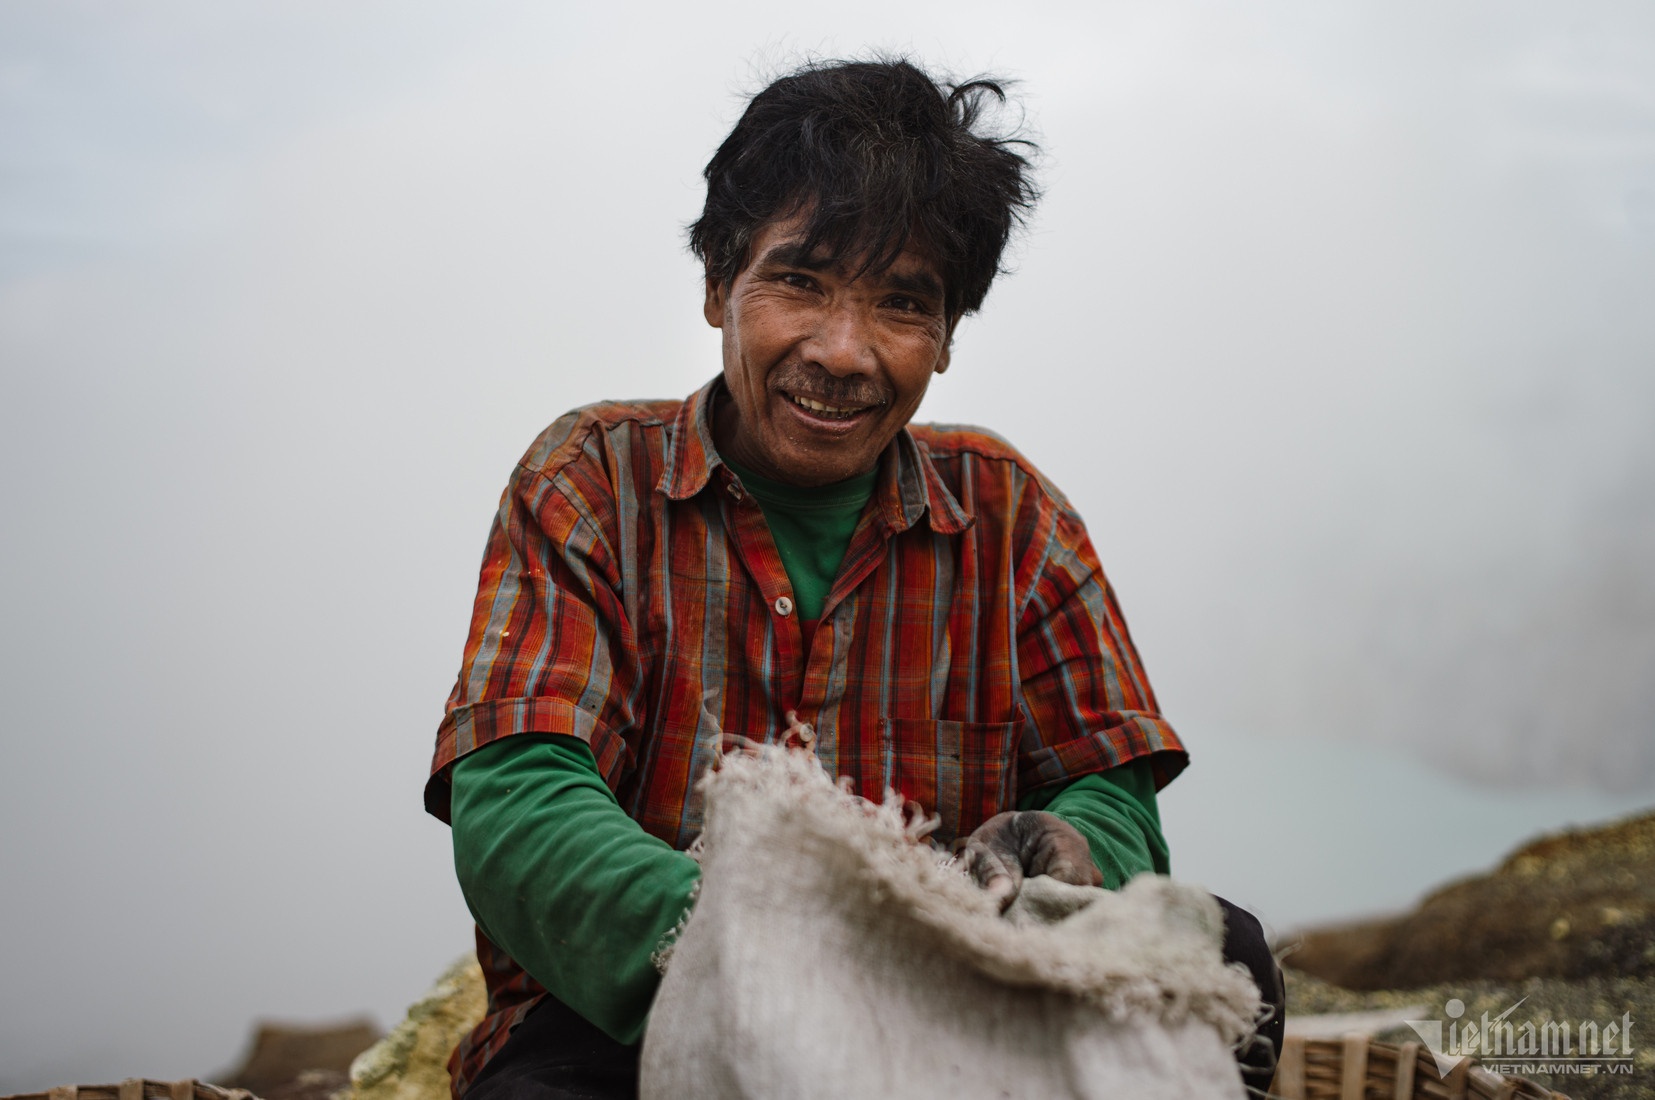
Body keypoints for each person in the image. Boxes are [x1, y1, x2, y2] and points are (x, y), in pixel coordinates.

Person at [425, 57, 1284, 1100]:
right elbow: (521, 795)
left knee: (1226, 952)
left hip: (957, 983)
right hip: (643, 1012)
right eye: (799, 281)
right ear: (715, 285)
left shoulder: (1013, 516)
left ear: (947, 334)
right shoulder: (590, 480)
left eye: (900, 303)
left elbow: (1106, 790)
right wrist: (756, 954)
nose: (843, 350)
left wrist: (1070, 845)